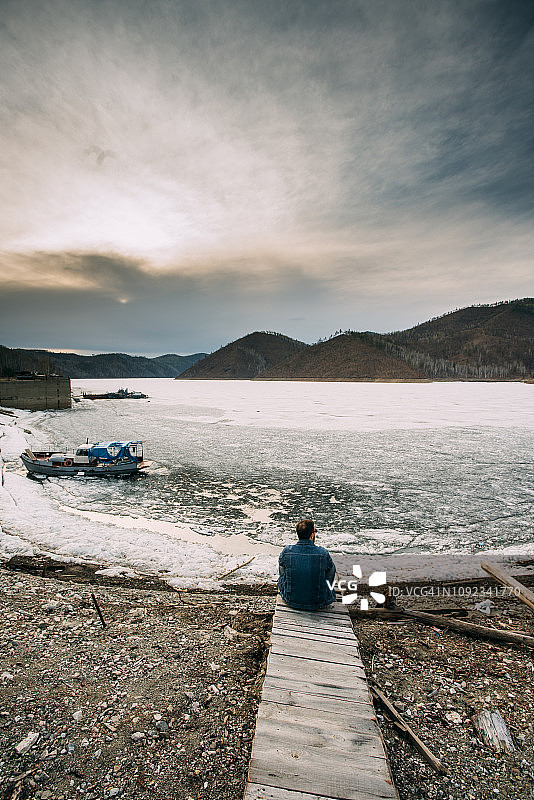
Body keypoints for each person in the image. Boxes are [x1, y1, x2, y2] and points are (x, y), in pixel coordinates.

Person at [278, 519, 337, 611]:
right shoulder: (323, 553)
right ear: (312, 535)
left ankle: (291, 588)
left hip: (292, 600)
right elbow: (330, 570)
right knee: (331, 567)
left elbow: (282, 565)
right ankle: (326, 589)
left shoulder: (287, 551)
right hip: (319, 602)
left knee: (282, 564)